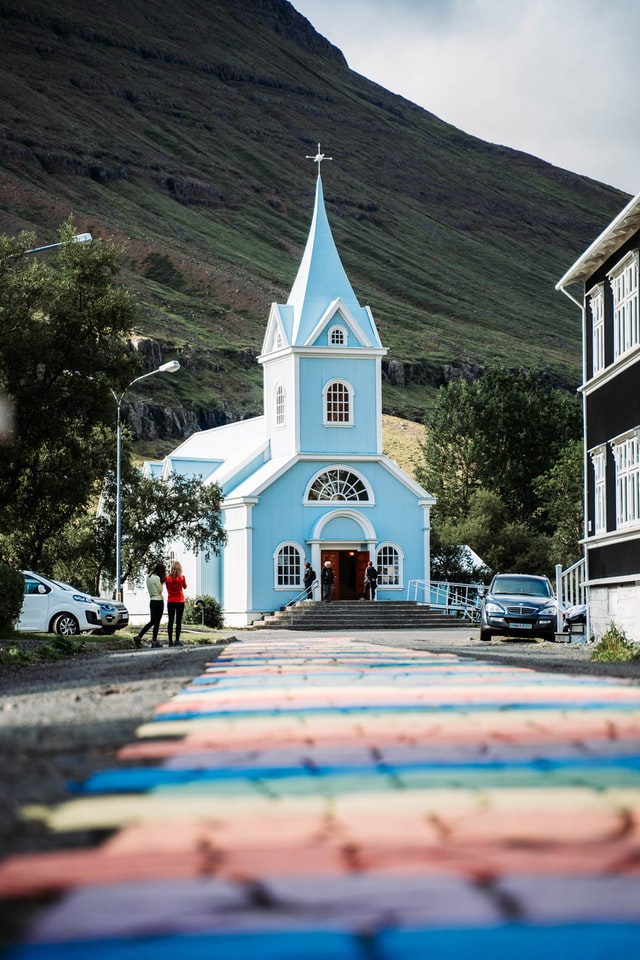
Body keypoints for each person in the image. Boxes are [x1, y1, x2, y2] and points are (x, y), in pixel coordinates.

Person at [133, 563, 166, 648]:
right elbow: (160, 590)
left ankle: (142, 637)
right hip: (159, 601)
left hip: (152, 601)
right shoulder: (157, 578)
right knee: (156, 622)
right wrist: (162, 583)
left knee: (152, 621)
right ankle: (150, 640)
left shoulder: (148, 577)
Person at [165, 560, 187, 646]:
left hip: (171, 600)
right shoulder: (182, 578)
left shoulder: (167, 578)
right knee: (178, 621)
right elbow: (185, 587)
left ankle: (170, 641)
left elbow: (167, 588)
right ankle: (177, 640)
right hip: (180, 601)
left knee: (170, 621)